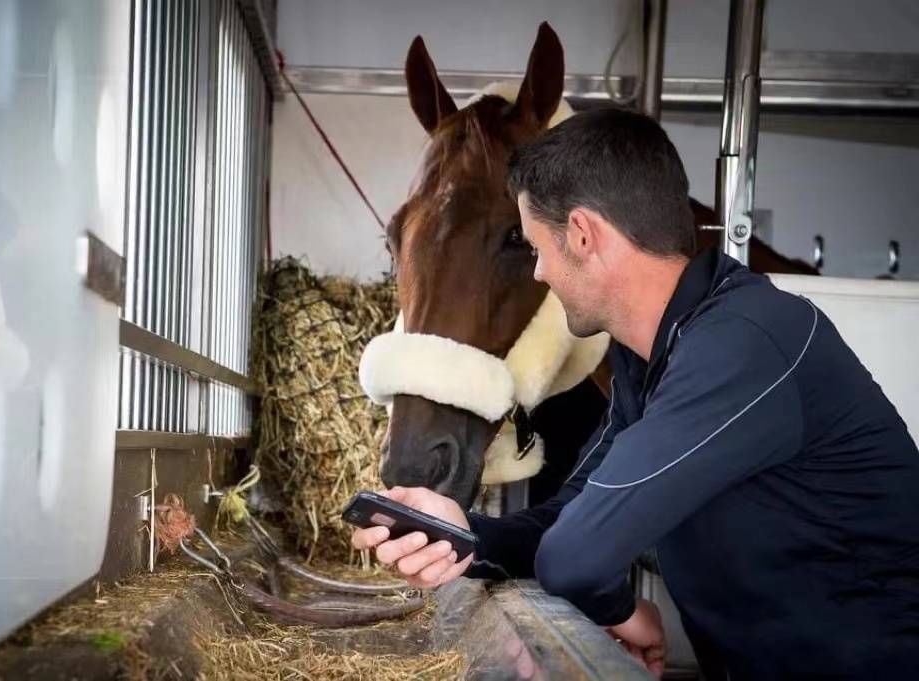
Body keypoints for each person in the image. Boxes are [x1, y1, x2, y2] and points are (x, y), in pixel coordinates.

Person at [351, 108, 919, 679]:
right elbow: (565, 521)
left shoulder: (746, 341)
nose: (539, 273)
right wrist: (459, 532)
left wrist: (625, 612)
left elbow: (574, 558)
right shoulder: (651, 357)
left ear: (582, 234)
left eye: (534, 247)